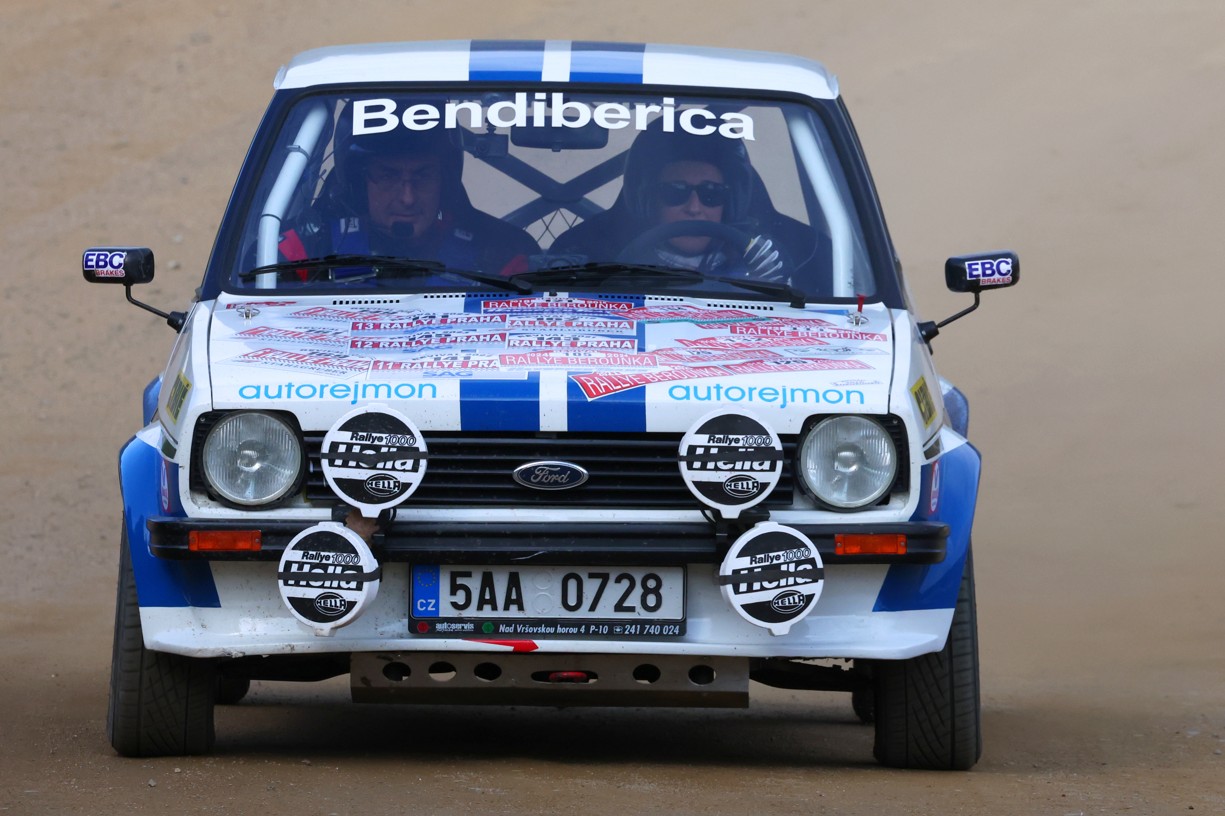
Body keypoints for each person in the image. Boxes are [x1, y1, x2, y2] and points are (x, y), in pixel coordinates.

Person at [277, 124, 538, 277]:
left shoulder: (502, 254)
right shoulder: (306, 249)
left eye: (423, 176)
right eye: (388, 176)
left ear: (444, 182)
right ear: (359, 184)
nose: (407, 198)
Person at [551, 120, 788, 281]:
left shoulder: (766, 265)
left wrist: (767, 279)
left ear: (730, 202)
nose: (694, 208)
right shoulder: (597, 262)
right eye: (675, 192)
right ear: (648, 200)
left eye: (711, 193)